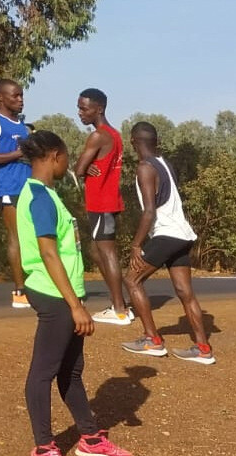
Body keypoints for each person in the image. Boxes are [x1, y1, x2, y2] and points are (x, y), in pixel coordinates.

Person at [16, 131, 134, 456]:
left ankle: (90, 438)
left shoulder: (48, 193)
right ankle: (42, 450)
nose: (69, 163)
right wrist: (75, 306)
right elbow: (48, 254)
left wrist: (78, 299)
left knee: (71, 370)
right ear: (55, 155)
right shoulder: (39, 196)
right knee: (43, 372)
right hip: (53, 294)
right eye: (67, 156)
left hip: (65, 294)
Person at [121, 122, 216, 364]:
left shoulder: (145, 167)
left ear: (133, 142)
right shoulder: (164, 163)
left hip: (166, 234)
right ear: (156, 142)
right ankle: (203, 348)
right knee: (185, 292)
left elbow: (149, 212)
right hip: (183, 234)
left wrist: (136, 245)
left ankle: (152, 340)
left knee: (132, 280)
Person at [74, 87, 131, 325]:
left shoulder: (98, 136)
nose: (80, 113)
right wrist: (87, 167)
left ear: (99, 109)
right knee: (96, 251)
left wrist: (83, 167)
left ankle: (119, 309)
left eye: (84, 108)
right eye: (79, 108)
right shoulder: (115, 134)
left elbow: (78, 169)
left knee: (107, 253)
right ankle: (120, 303)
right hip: (110, 201)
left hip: (101, 202)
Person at [0, 79, 33, 309]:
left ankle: (36, 285)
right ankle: (19, 290)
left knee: (33, 236)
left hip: (29, 186)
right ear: (0, 97)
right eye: (15, 96)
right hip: (9, 187)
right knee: (16, 236)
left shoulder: (22, 124)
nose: (20, 99)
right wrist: (17, 154)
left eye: (21, 95)